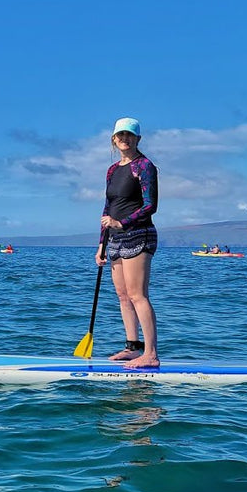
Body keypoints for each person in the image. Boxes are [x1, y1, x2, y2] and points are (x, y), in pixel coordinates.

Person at [95, 117, 159, 368]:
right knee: (123, 296)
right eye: (120, 135)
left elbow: (150, 205)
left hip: (139, 234)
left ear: (137, 139)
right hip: (115, 239)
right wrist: (102, 243)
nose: (125, 139)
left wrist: (123, 223)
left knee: (137, 295)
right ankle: (133, 348)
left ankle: (151, 354)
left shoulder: (144, 166)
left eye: (129, 135)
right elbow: (108, 207)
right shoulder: (112, 170)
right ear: (114, 139)